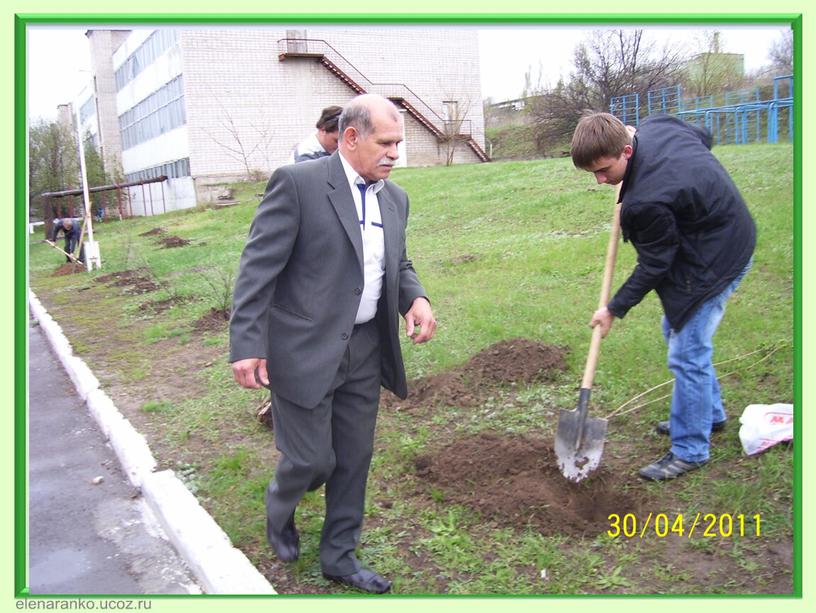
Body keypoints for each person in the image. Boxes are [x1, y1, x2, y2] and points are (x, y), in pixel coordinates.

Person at [230, 94, 436, 593]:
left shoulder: (395, 198)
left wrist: (416, 298)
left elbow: (396, 262)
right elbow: (258, 268)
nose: (395, 154)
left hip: (366, 346)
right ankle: (281, 504)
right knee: (311, 460)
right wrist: (246, 343)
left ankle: (340, 556)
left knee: (353, 456)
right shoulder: (298, 184)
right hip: (303, 346)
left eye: (399, 144)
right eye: (386, 143)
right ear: (350, 138)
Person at [570, 112, 756, 482]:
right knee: (675, 327)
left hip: (718, 256)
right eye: (592, 173)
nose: (600, 180)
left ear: (626, 148)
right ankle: (709, 413)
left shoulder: (646, 201)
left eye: (605, 170)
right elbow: (702, 137)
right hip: (715, 234)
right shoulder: (658, 127)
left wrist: (613, 308)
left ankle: (690, 449)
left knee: (687, 351)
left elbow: (656, 265)